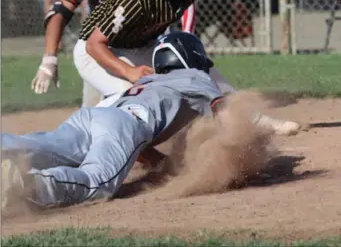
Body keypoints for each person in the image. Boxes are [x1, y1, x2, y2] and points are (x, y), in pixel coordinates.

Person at [74, 0, 323, 134]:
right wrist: (129, 72)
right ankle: (132, 152)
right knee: (136, 99)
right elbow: (94, 44)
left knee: (199, 68)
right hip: (97, 52)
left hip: (140, 45)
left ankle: (252, 120)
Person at [2, 32, 236, 210]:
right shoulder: (196, 76)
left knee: (45, 147)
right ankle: (23, 184)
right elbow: (224, 111)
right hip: (125, 123)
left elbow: (136, 147)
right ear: (193, 57)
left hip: (95, 115)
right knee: (96, 182)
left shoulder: (150, 81)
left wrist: (163, 164)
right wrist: (236, 157)